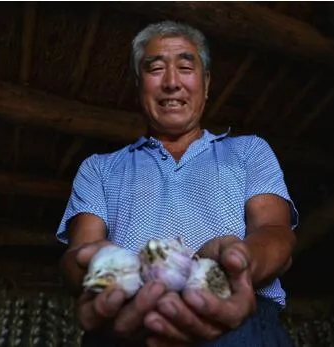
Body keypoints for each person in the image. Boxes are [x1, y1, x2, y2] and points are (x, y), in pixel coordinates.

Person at [57, 20, 299, 347]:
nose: (172, 83)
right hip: (126, 322)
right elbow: (78, 254)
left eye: (185, 67)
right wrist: (93, 271)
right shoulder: (99, 168)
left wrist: (236, 265)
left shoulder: (249, 150)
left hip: (243, 322)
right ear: (139, 84)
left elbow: (275, 232)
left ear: (207, 82)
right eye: (155, 69)